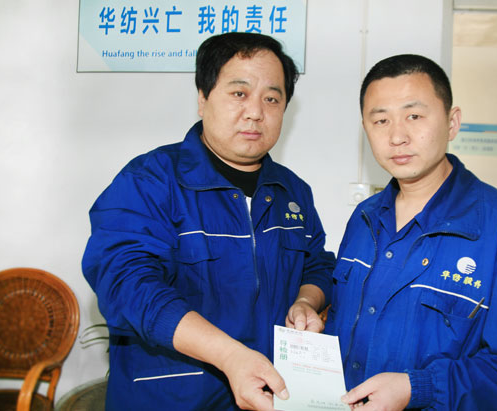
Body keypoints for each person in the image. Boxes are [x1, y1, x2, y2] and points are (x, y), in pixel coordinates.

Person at [82, 32, 334, 411]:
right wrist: (229, 356)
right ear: (203, 98)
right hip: (172, 399)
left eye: (271, 98)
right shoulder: (150, 180)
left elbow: (317, 263)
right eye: (239, 93)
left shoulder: (293, 191)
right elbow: (126, 282)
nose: (255, 112)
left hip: (268, 395)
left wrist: (305, 301)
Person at [325, 54, 497, 410]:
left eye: (414, 116)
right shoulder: (364, 218)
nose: (397, 136)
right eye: (381, 120)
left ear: (452, 123)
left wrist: (419, 389)